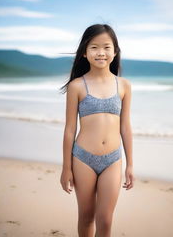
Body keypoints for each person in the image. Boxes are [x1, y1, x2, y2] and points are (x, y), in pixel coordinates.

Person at [59, 23, 134, 237]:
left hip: (113, 159)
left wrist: (130, 165)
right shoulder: (77, 86)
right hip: (83, 158)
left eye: (106, 47)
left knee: (106, 221)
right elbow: (69, 129)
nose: (101, 52)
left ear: (115, 51)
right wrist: (66, 168)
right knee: (86, 217)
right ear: (84, 52)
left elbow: (126, 128)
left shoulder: (124, 85)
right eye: (94, 47)